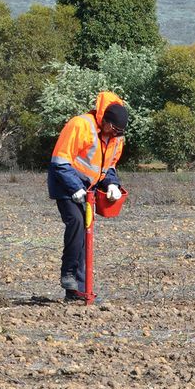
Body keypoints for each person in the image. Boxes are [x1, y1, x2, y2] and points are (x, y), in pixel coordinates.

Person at [48, 91, 128, 302]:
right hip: (64, 183)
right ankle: (68, 275)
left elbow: (108, 166)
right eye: (114, 129)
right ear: (106, 121)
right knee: (76, 222)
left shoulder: (116, 138)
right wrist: (75, 187)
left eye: (120, 132)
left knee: (86, 233)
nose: (116, 134)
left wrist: (112, 184)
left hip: (88, 190)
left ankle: (78, 291)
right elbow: (59, 161)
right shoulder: (80, 125)